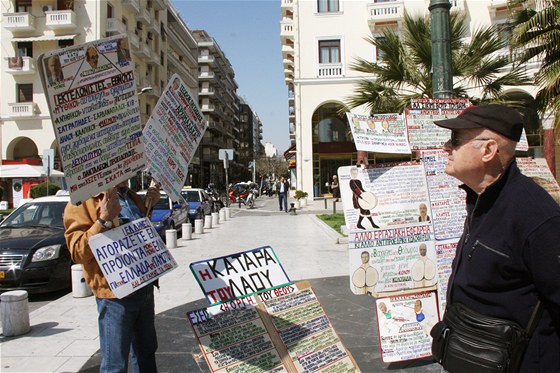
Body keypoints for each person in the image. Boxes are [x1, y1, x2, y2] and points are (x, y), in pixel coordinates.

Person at [432, 104, 560, 372]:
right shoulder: (481, 199)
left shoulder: (536, 217)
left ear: (488, 150)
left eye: (456, 139)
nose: (446, 147)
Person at [64, 180, 161, 373]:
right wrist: (103, 220)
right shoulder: (82, 200)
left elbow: (137, 233)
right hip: (115, 296)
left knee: (146, 354)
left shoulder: (130, 195)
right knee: (114, 364)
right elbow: (77, 252)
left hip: (144, 288)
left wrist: (150, 205)